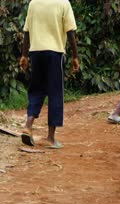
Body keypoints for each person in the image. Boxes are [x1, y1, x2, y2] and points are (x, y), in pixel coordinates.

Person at [19, 0, 80, 149]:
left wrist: (25, 55)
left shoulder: (34, 2)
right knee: (55, 92)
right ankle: (51, 138)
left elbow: (27, 31)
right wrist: (75, 56)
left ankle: (28, 125)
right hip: (55, 53)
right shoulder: (63, 3)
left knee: (36, 89)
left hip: (36, 52)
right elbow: (70, 31)